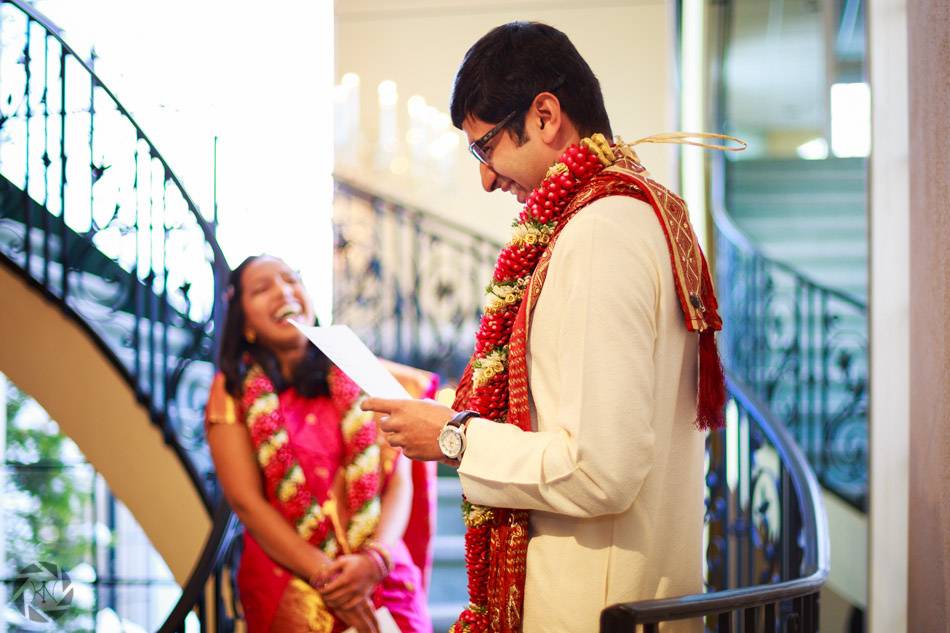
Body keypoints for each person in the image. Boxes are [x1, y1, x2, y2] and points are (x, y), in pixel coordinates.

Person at [361, 22, 728, 633]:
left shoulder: (600, 231)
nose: (485, 177)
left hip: (595, 601)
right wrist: (444, 409)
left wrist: (455, 439)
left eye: (486, 148)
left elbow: (599, 471)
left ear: (545, 115)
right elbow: (566, 407)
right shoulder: (620, 210)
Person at [205, 255, 436, 633]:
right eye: (262, 289)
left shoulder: (361, 369)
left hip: (382, 572)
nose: (283, 291)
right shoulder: (231, 392)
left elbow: (399, 480)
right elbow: (246, 502)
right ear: (244, 322)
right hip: (293, 587)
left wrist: (375, 560)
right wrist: (328, 577)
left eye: (291, 279)